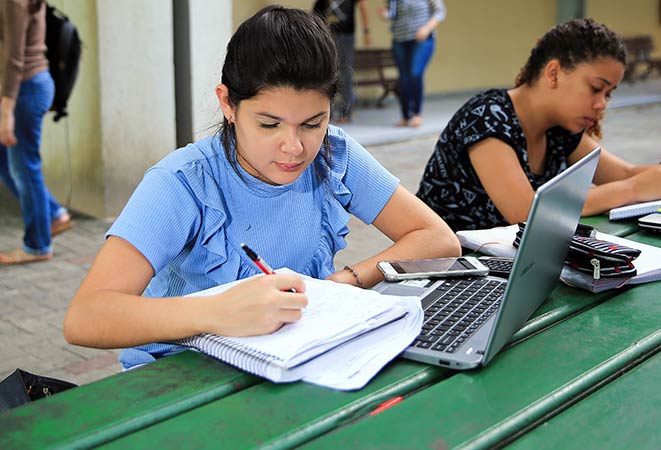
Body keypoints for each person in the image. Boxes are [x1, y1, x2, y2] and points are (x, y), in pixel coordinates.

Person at [63, 5, 460, 369]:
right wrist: (218, 311)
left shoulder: (333, 155)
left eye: (313, 123)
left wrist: (344, 281)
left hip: (296, 360)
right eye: (269, 125)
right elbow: (86, 317)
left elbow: (436, 239)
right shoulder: (184, 182)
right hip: (181, 376)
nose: (294, 147)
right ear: (228, 105)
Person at [416, 18, 661, 232]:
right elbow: (525, 210)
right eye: (596, 88)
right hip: (446, 277)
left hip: (506, 273)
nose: (601, 104)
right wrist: (633, 191)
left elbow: (624, 173)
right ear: (554, 72)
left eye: (608, 94)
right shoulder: (487, 116)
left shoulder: (561, 129)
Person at [0, 0, 73, 265]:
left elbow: (13, 55)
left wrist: (6, 109)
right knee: (7, 164)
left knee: (23, 167)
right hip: (28, 87)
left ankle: (38, 244)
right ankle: (53, 214)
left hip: (25, 89)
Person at [382, 0, 446, 128]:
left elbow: (440, 11)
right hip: (400, 40)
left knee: (415, 73)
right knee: (404, 77)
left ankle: (417, 114)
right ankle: (406, 116)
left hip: (422, 39)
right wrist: (386, 14)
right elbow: (393, 13)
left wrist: (427, 28)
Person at [313, 0, 371, 123]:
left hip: (346, 35)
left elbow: (363, 5)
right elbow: (316, 12)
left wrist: (366, 31)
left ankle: (346, 112)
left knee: (345, 73)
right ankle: (327, 112)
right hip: (326, 35)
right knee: (326, 74)